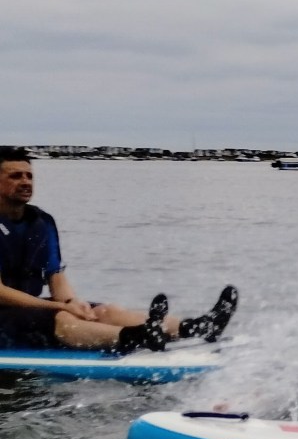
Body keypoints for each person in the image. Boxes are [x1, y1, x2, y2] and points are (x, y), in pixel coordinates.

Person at [0, 147, 237, 353]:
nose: (26, 182)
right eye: (15, 176)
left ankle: (197, 327)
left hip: (29, 313)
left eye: (29, 176)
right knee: (62, 318)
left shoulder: (42, 222)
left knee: (103, 311)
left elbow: (57, 278)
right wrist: (60, 307)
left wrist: (73, 302)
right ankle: (136, 337)